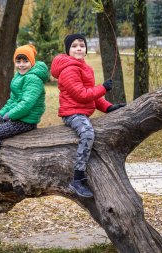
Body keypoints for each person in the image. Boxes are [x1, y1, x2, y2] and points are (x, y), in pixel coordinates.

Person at [50, 34, 125, 198]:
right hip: (72, 113)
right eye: (74, 46)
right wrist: (103, 87)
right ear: (68, 50)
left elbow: (93, 96)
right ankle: (77, 178)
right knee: (87, 133)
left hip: (82, 112)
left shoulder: (85, 68)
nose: (78, 48)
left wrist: (109, 107)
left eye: (81, 45)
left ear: (85, 50)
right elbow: (81, 95)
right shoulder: (69, 70)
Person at [0, 44, 49, 188]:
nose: (21, 65)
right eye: (18, 61)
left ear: (32, 62)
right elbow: (12, 101)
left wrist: (10, 115)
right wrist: (0, 115)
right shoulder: (18, 77)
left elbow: (27, 104)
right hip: (19, 117)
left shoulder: (33, 79)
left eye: (25, 61)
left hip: (26, 120)